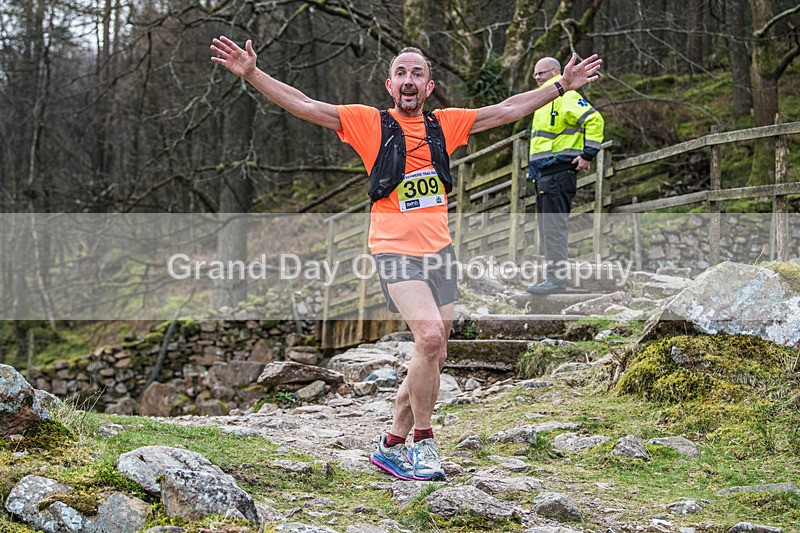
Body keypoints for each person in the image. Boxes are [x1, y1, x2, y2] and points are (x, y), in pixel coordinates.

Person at [210, 37, 602, 481]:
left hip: (440, 252)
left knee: (434, 352)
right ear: (389, 85)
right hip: (394, 250)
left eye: (418, 74)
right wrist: (252, 74)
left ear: (429, 87)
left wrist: (561, 86)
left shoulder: (445, 125)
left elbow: (507, 109)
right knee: (430, 336)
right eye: (401, 73)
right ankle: (424, 442)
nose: (409, 80)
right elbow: (304, 104)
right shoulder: (368, 123)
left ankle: (391, 445)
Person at [525, 56, 605, 295]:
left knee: (553, 228)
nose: (537, 77)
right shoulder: (544, 99)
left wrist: (588, 154)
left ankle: (555, 281)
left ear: (556, 72)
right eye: (535, 74)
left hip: (557, 173)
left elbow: (594, 119)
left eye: (541, 73)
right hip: (545, 174)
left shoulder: (565, 96)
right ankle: (552, 278)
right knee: (547, 228)